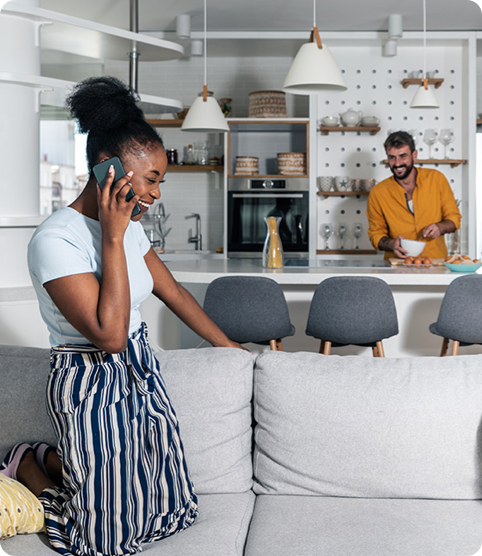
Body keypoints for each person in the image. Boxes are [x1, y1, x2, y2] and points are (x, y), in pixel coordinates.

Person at [0, 76, 243, 556]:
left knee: (175, 511)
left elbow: (173, 292)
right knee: (104, 540)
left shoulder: (132, 229)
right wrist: (111, 236)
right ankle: (29, 466)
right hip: (89, 380)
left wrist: (229, 347)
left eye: (160, 181)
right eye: (151, 179)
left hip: (141, 368)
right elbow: (108, 336)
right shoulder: (56, 240)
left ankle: (55, 464)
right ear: (107, 169)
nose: (156, 193)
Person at [367, 130, 461, 260]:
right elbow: (376, 234)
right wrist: (392, 244)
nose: (397, 163)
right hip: (397, 265)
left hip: (435, 263)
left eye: (403, 156)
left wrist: (440, 227)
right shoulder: (378, 192)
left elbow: (454, 219)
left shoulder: (436, 179)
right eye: (392, 157)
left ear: (414, 155)